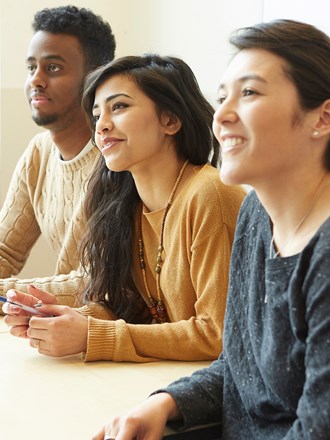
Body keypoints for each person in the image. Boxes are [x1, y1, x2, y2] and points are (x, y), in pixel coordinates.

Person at [90, 19, 330, 440]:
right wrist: (164, 403)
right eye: (222, 98)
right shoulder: (258, 213)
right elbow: (238, 368)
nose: (222, 115)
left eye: (250, 92)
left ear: (323, 118)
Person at [3, 54, 246, 362]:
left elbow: (217, 335)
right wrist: (66, 319)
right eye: (96, 115)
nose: (101, 126)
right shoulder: (126, 205)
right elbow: (136, 310)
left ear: (170, 120)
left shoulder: (211, 193)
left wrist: (91, 335)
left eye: (118, 107)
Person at [0, 5, 116, 306]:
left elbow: (97, 282)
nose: (36, 80)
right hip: (60, 326)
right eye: (31, 68)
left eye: (53, 68)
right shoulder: (38, 152)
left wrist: (7, 294)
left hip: (107, 331)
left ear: (94, 79)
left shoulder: (119, 159)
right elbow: (5, 251)